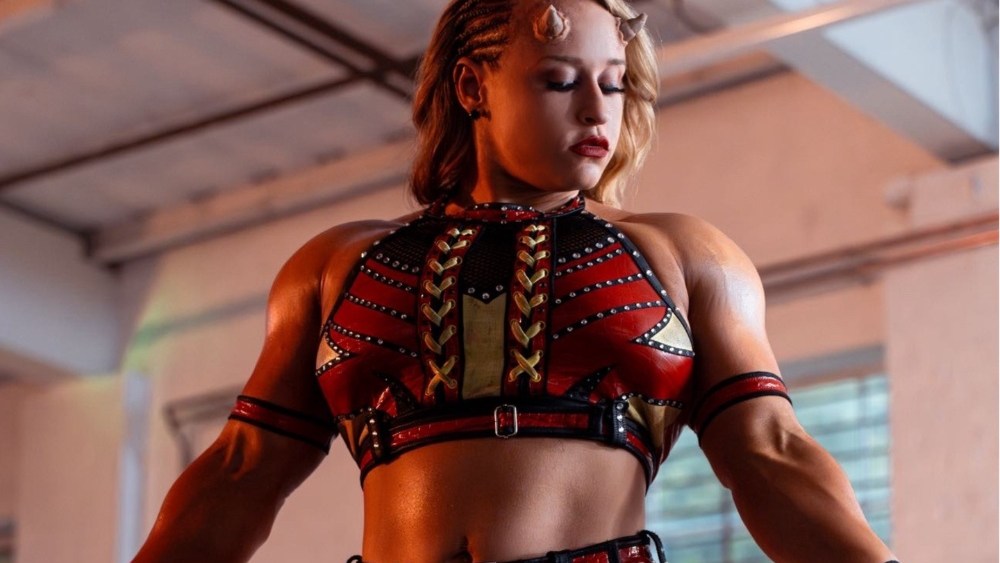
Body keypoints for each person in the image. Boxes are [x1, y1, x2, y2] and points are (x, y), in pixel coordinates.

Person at [133, 0, 900, 561]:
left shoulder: (685, 255)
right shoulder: (333, 265)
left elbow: (771, 451)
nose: (597, 110)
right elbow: (240, 470)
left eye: (614, 84)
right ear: (472, 87)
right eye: (561, 80)